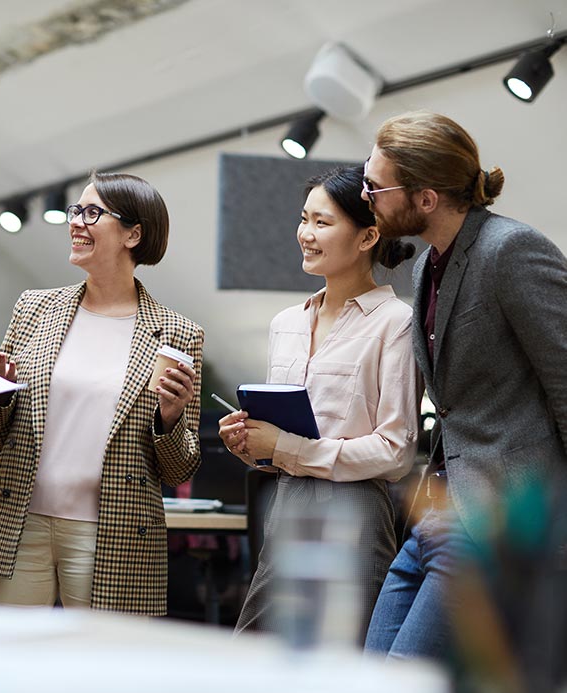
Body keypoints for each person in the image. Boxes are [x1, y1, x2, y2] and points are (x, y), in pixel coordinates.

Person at [361, 110, 567, 660]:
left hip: (502, 524)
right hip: (442, 512)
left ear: (425, 198)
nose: (367, 196)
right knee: (371, 679)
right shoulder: (428, 264)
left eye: (376, 186)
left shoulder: (511, 251)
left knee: (404, 686)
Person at [0, 172, 203, 615]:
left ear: (134, 233)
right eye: (76, 210)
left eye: (93, 213)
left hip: (113, 534)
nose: (76, 222)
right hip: (16, 521)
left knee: (101, 678)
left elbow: (178, 468)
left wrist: (170, 418)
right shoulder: (34, 308)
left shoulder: (179, 334)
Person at [220, 164, 418, 641]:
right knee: (256, 653)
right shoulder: (285, 323)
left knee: (341, 668)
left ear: (368, 236)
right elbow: (280, 441)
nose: (305, 234)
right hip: (286, 502)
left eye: (322, 223)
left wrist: (285, 446)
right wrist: (248, 441)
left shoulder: (396, 322)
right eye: (304, 219)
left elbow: (394, 452)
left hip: (356, 511)